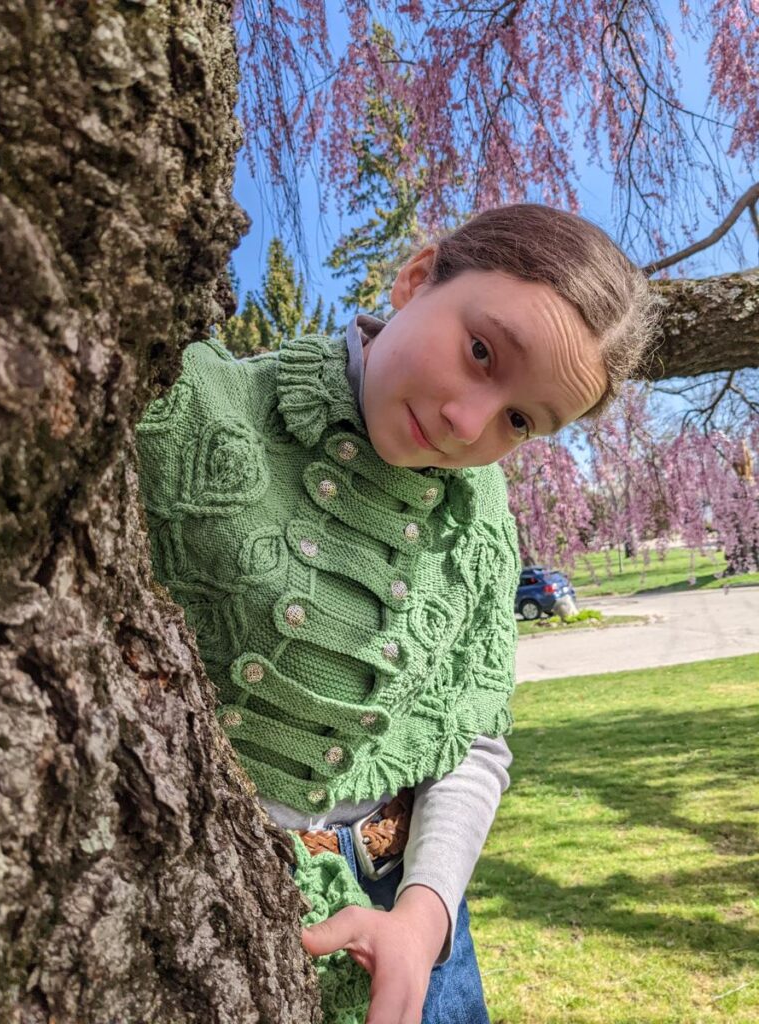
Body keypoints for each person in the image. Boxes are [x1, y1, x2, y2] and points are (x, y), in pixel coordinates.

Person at [135, 204, 657, 1024]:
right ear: (417, 277)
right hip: (207, 908)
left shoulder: (482, 528)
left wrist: (425, 917)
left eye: (520, 420)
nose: (467, 424)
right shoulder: (194, 404)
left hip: (411, 923)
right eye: (481, 352)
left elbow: (474, 737)